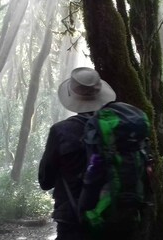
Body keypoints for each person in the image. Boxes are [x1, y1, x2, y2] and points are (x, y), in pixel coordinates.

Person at [38, 67, 116, 240]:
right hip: (116, 217)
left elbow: (45, 181)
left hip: (73, 221)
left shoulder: (61, 131)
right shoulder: (117, 127)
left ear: (72, 96)